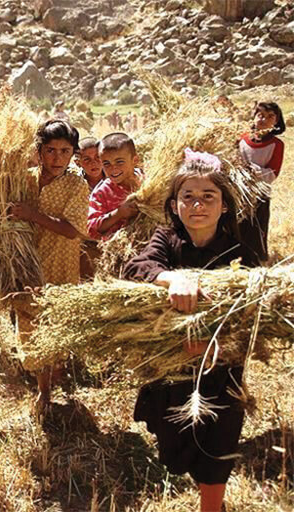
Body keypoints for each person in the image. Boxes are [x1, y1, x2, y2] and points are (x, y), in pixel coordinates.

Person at [123, 150, 259, 512]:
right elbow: (137, 267)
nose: (197, 205)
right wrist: (173, 277)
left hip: (221, 371)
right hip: (171, 372)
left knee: (218, 444)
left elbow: (251, 319)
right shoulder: (166, 240)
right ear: (174, 204)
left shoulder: (240, 254)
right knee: (174, 443)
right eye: (188, 197)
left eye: (208, 197)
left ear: (224, 206)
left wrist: (215, 349)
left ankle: (211, 505)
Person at [9, 120, 90, 407]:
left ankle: (47, 387)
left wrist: (32, 215)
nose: (57, 158)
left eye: (65, 151)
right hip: (27, 261)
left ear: (73, 153)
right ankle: (42, 379)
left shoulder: (76, 184)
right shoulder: (25, 179)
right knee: (29, 319)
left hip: (59, 261)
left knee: (51, 321)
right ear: (39, 151)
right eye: (51, 150)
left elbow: (72, 229)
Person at [237, 101, 286, 261]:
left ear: (277, 121)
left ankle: (256, 260)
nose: (264, 119)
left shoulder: (276, 145)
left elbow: (273, 173)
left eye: (270, 116)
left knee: (257, 227)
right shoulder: (241, 140)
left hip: (260, 193)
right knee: (236, 225)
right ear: (254, 118)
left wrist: (253, 171)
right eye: (260, 115)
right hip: (237, 191)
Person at [87, 132, 144, 240]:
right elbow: (91, 228)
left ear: (135, 160)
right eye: (106, 163)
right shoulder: (102, 192)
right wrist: (119, 214)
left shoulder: (148, 181)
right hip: (122, 250)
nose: (113, 168)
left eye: (119, 162)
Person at [75, 136, 104, 279]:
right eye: (87, 159)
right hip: (84, 242)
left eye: (98, 157)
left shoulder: (114, 181)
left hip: (109, 241)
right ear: (78, 163)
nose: (94, 163)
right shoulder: (74, 185)